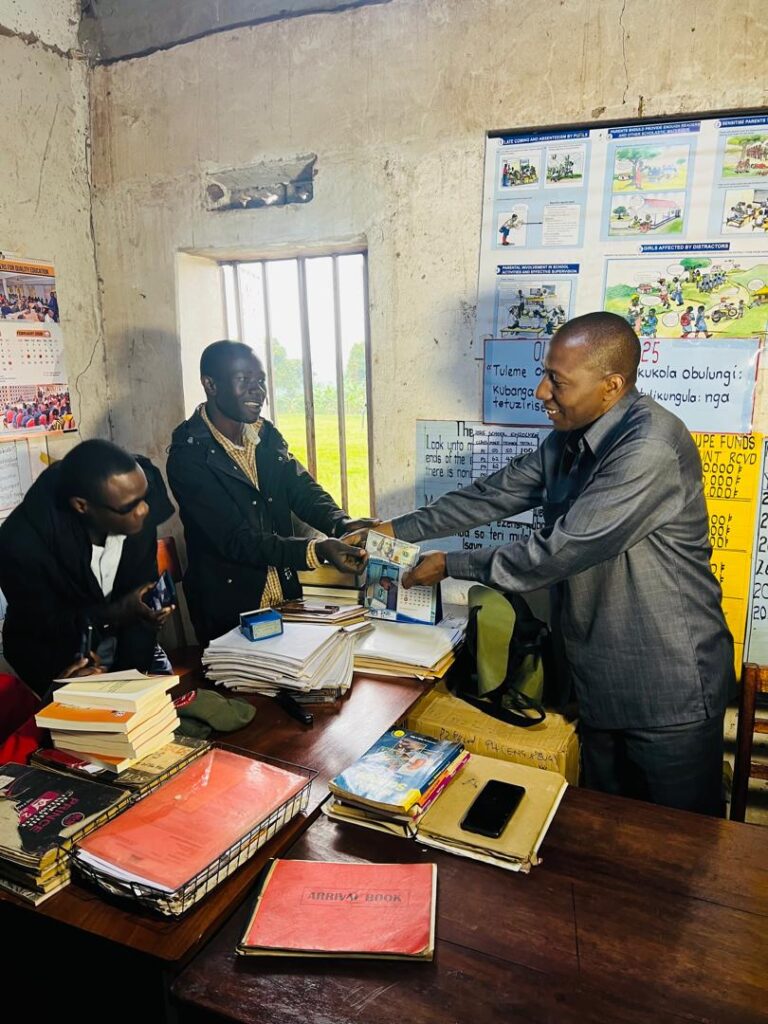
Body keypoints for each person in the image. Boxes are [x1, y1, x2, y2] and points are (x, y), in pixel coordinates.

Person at [349, 312, 733, 816]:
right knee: (605, 830)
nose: (541, 392)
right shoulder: (569, 440)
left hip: (667, 686)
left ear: (612, 386)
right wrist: (393, 530)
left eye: (557, 380)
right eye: (544, 374)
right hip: (598, 679)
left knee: (680, 845)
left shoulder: (650, 446)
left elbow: (560, 550)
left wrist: (449, 564)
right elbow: (492, 495)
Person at [166, 340, 373, 644]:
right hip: (229, 612)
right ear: (210, 385)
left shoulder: (264, 435)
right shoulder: (189, 456)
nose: (258, 390)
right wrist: (316, 550)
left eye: (261, 381)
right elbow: (237, 539)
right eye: (244, 380)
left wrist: (341, 523)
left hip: (285, 600)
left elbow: (301, 489)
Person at [0, 439, 175, 698]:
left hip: (126, 642)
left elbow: (139, 603)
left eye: (144, 498)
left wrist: (130, 681)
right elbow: (45, 624)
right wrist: (114, 613)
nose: (144, 510)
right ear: (82, 506)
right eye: (130, 506)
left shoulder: (131, 502)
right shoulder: (20, 543)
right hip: (56, 655)